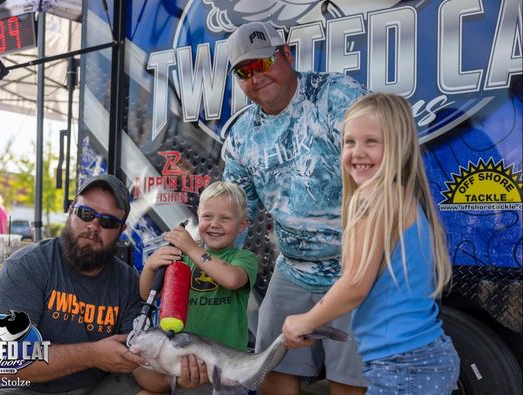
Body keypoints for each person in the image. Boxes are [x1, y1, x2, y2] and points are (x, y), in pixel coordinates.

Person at [223, 21, 369, 395]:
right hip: (293, 271)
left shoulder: (337, 96)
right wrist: (195, 250)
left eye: (263, 61)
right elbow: (236, 211)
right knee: (272, 377)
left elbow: (382, 174)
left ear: (287, 54)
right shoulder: (241, 134)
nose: (256, 77)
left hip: (356, 267)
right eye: (244, 71)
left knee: (349, 385)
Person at [282, 93, 460, 394]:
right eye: (349, 142)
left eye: (371, 142)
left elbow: (354, 285)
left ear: (398, 146)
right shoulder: (401, 196)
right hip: (423, 355)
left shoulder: (373, 197)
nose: (357, 152)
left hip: (402, 365)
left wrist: (306, 320)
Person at [0, 174, 147, 394]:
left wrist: (178, 373)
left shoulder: (128, 281)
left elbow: (139, 366)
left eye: (108, 222)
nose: (93, 226)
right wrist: (93, 354)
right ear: (71, 211)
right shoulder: (26, 266)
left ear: (121, 230)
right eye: (86, 214)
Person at [133, 181, 258, 394]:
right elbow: (149, 295)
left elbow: (232, 279)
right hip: (183, 364)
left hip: (226, 367)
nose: (215, 224)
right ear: (198, 216)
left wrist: (191, 248)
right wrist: (151, 267)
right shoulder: (183, 260)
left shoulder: (242, 258)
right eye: (208, 216)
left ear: (242, 224)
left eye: (225, 218)